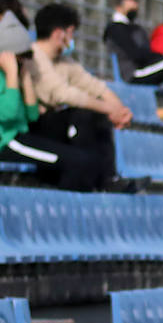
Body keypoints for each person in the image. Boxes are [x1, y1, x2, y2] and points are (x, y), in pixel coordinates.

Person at [24, 3, 130, 191]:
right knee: (85, 114)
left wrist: (119, 110)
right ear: (59, 33)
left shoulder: (65, 62)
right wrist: (107, 108)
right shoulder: (34, 57)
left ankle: (108, 179)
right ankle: (84, 181)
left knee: (95, 114)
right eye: (71, 32)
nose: (72, 39)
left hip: (54, 125)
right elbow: (61, 93)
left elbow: (95, 86)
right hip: (37, 125)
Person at [0, 11, 108, 191]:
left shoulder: (16, 76)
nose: (23, 62)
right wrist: (11, 74)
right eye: (20, 56)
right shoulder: (7, 77)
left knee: (87, 159)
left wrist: (25, 80)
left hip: (19, 137)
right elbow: (8, 114)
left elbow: (32, 115)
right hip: (6, 142)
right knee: (77, 162)